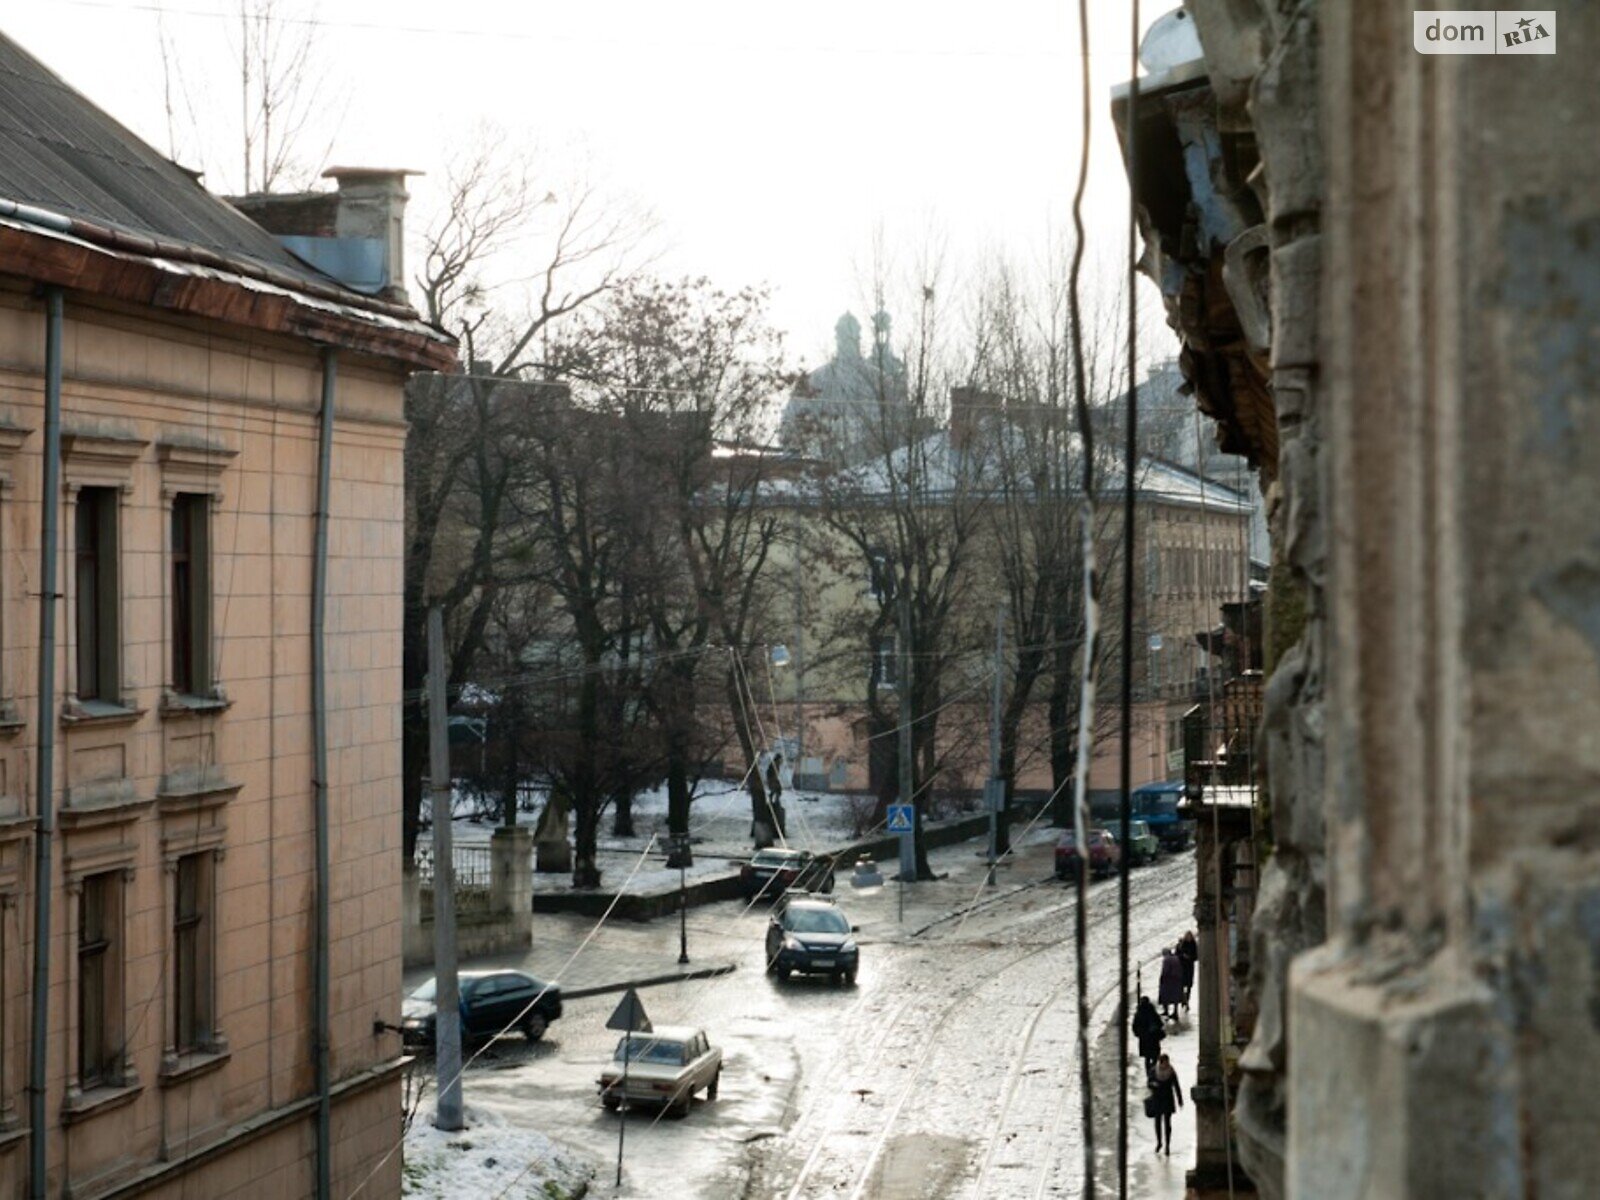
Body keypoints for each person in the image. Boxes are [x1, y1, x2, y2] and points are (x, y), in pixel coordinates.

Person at [1147, 1053, 1184, 1155]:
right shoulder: (1154, 1071)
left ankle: (1167, 1145)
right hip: (1157, 1098)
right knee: (1158, 1121)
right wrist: (1153, 1084)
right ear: (1161, 1062)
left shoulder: (1171, 1072)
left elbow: (1176, 1085)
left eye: (1168, 1063)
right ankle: (1159, 1142)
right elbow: (1149, 1083)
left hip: (1167, 1098)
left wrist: (1180, 1099)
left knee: (1167, 1123)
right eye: (1165, 1063)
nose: (1166, 1065)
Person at [1132, 995, 1165, 1081]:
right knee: (1154, 1057)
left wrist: (1139, 1034)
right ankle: (1153, 1072)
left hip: (1144, 1040)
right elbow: (1160, 1023)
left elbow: (1134, 1027)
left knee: (1147, 1058)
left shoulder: (1138, 1014)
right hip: (1153, 1039)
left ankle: (1149, 1074)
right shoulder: (1152, 1012)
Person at [1158, 946, 1185, 1020]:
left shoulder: (1166, 960)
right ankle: (1175, 1012)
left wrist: (1162, 978)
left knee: (1165, 996)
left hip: (1168, 981)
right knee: (1175, 997)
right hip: (1177, 980)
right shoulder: (1176, 958)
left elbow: (1165, 971)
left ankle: (1166, 1011)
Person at [1177, 930, 1199, 1010]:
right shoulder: (1181, 945)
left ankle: (1187, 1001)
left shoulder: (1193, 945)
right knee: (1181, 985)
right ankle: (1183, 1000)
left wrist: (1190, 957)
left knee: (1189, 986)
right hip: (1182, 967)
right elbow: (1177, 955)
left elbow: (1196, 956)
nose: (1189, 938)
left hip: (1190, 967)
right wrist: (1183, 956)